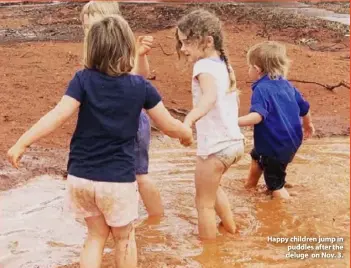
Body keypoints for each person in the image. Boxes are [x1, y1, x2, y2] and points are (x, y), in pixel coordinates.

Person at [7, 15, 193, 268]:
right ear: (128, 48)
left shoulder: (82, 80)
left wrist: (22, 142)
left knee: (95, 236)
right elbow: (168, 125)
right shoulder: (140, 87)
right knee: (124, 237)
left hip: (80, 178)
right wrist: (186, 135)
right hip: (117, 181)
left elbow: (58, 114)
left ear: (91, 49)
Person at [81, 1, 164, 217]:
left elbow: (139, 79)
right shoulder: (94, 53)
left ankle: (158, 220)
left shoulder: (122, 48)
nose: (89, 32)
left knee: (139, 174)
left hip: (131, 123)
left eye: (92, 26)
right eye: (86, 27)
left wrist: (141, 55)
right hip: (111, 123)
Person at [176, 9, 245, 240]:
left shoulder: (202, 67)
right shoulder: (223, 64)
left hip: (214, 148)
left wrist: (189, 118)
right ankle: (232, 230)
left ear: (207, 41)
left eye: (186, 42)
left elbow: (209, 98)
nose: (183, 48)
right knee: (214, 190)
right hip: (234, 145)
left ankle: (210, 256)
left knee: (203, 204)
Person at [238, 41, 315, 199]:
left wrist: (232, 121)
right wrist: (308, 125)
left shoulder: (261, 89)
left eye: (250, 67)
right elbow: (305, 108)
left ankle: (285, 209)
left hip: (275, 144)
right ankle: (250, 185)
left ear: (257, 69)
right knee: (257, 156)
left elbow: (258, 116)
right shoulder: (286, 85)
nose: (249, 70)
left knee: (274, 185)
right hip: (289, 141)